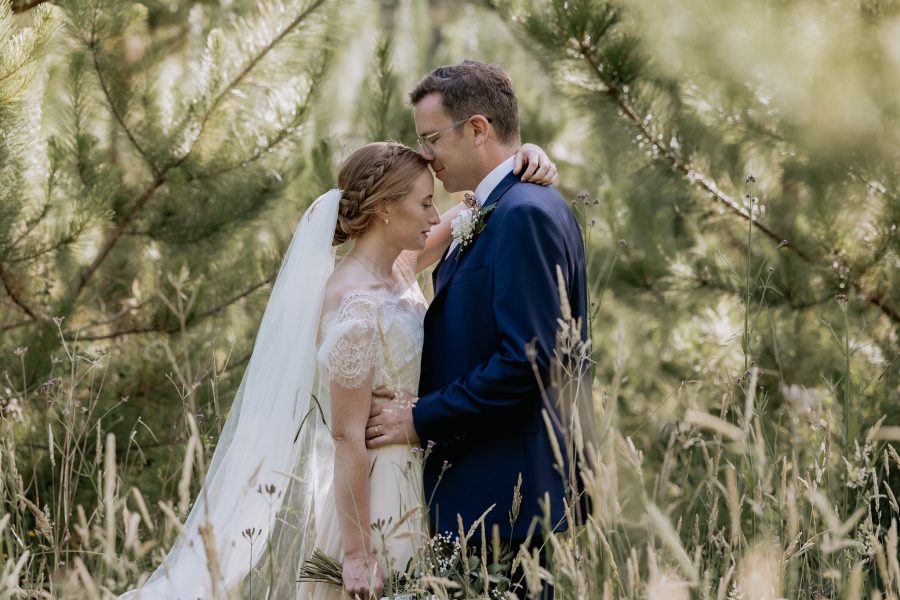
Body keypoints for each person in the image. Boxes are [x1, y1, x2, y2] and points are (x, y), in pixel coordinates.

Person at [117, 140, 556, 600]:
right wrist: (356, 554)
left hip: (424, 474)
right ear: (386, 209)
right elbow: (346, 436)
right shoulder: (352, 303)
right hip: (381, 490)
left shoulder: (400, 266)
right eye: (425, 203)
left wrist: (524, 155)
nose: (434, 215)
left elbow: (475, 206)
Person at [365, 61, 589, 599]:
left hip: (510, 502)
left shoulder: (524, 214)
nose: (424, 155)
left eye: (430, 138)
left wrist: (420, 420)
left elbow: (530, 361)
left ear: (478, 129)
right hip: (485, 499)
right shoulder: (494, 206)